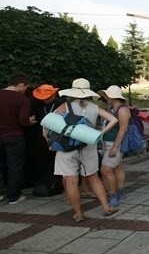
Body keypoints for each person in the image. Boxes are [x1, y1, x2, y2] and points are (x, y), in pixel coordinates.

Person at [47, 78, 119, 221]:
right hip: (88, 145)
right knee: (93, 178)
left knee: (71, 181)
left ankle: (79, 214)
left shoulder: (64, 107)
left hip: (67, 147)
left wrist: (49, 142)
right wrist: (100, 133)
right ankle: (106, 207)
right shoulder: (93, 107)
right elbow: (114, 120)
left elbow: (47, 124)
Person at [0, 73, 37, 204]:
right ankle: (14, 196)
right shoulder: (22, 100)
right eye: (26, 87)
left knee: (2, 165)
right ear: (21, 85)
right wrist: (30, 121)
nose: (25, 90)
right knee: (14, 166)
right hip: (14, 136)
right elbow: (23, 121)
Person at [98, 85, 131, 208]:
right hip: (110, 142)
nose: (105, 98)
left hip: (115, 143)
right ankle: (120, 191)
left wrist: (115, 147)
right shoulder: (114, 108)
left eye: (106, 95)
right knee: (117, 167)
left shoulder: (122, 110)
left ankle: (113, 195)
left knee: (106, 170)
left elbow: (123, 129)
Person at [28, 84, 64, 197]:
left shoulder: (60, 104)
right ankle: (46, 181)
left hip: (57, 136)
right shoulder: (37, 104)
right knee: (43, 159)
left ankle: (58, 182)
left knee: (57, 160)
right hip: (40, 137)